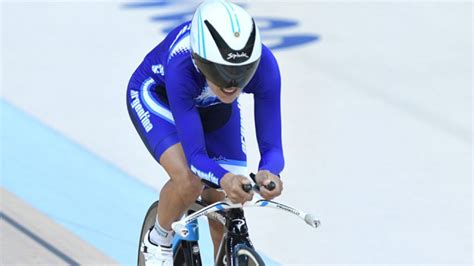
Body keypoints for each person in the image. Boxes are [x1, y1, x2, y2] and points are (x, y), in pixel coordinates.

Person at [127, 0, 284, 264]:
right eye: (220, 71)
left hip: (212, 107)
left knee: (225, 203)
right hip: (159, 97)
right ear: (200, 61)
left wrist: (270, 171)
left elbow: (273, 148)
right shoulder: (181, 65)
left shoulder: (265, 66)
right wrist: (224, 178)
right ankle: (158, 240)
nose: (231, 83)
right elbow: (197, 156)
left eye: (242, 72)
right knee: (189, 181)